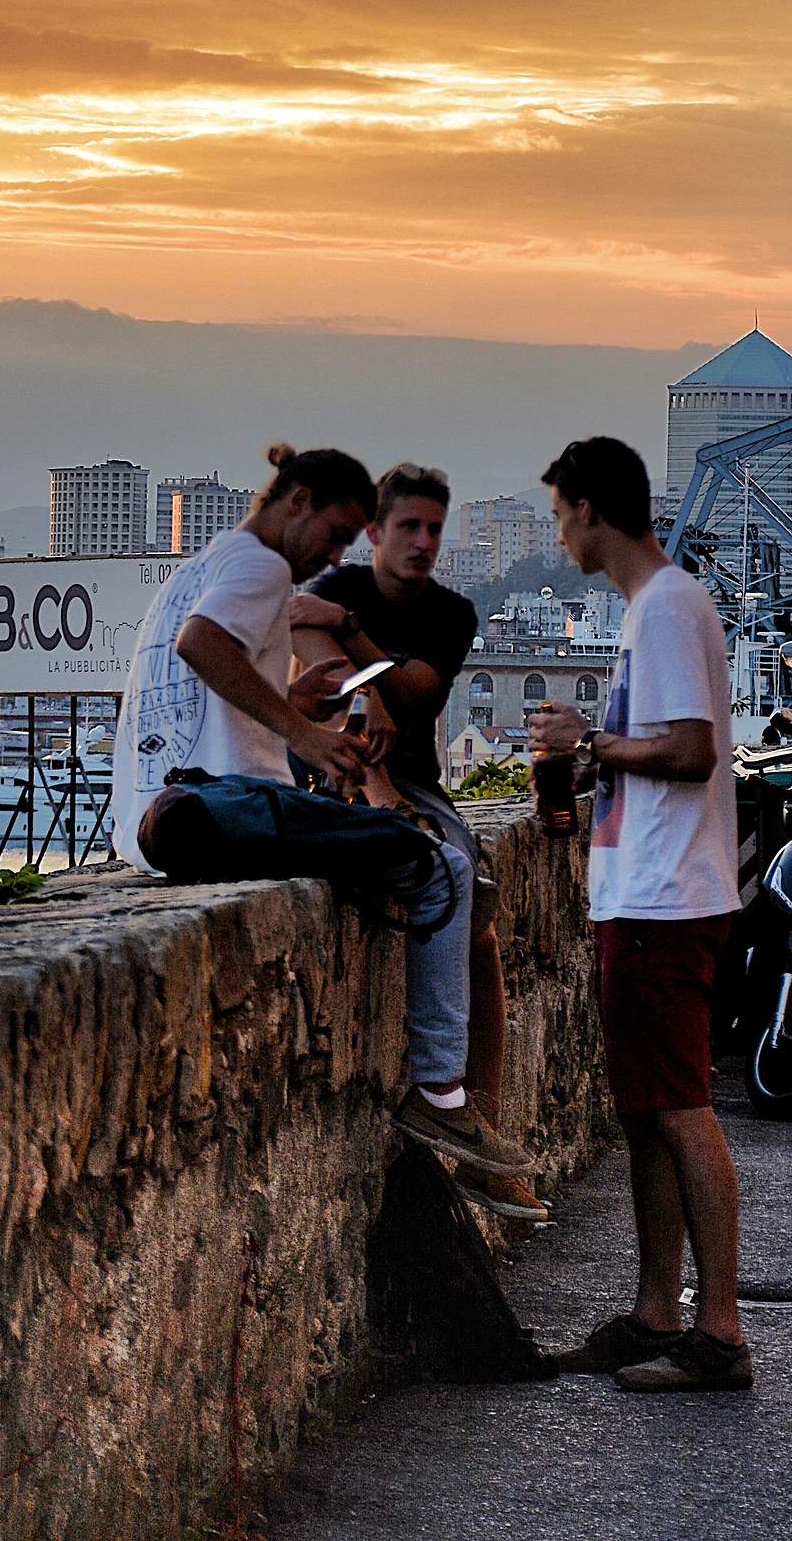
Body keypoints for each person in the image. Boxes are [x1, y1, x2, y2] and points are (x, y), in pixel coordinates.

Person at [112, 442, 532, 1201]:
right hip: (219, 809)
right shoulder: (263, 566)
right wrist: (306, 737)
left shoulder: (198, 565)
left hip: (155, 816)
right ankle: (441, 1097)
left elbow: (210, 682)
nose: (332, 553)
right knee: (442, 869)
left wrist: (298, 709)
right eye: (336, 533)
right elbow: (200, 646)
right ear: (296, 501)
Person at [531, 435, 752, 1394]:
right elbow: (660, 745)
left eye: (557, 513)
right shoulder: (655, 609)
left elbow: (692, 751)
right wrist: (596, 759)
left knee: (682, 1108)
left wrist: (594, 743)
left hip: (668, 895)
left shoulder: (666, 608)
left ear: (589, 510)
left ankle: (720, 1330)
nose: (558, 532)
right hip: (643, 890)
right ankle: (658, 1310)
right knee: (646, 1110)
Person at [294, 462, 543, 1223]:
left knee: (479, 909)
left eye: (435, 528)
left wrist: (357, 645)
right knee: (445, 872)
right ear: (375, 531)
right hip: (328, 771)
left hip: (417, 780)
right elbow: (327, 665)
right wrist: (364, 692)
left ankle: (478, 1122)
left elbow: (420, 694)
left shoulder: (451, 611)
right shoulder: (335, 591)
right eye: (408, 526)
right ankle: (448, 1097)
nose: (424, 542)